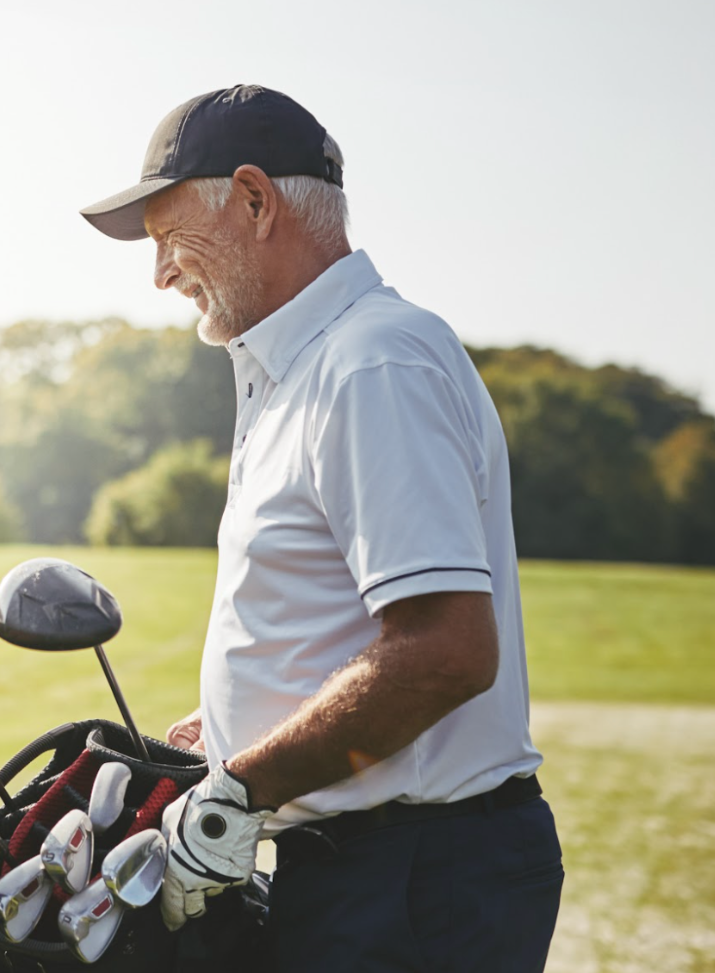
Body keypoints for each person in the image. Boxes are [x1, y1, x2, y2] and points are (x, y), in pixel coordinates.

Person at [78, 86, 563, 971]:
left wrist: (241, 789)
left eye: (168, 238)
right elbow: (338, 623)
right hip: (375, 866)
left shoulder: (371, 363)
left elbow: (445, 650)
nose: (160, 275)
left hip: (418, 880)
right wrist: (230, 733)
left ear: (256, 201)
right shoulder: (307, 368)